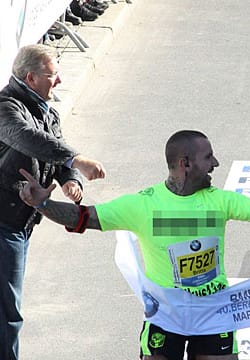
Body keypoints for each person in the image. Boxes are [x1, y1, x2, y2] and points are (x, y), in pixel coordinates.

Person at [18, 129, 250, 360]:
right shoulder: (143, 205)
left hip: (215, 313)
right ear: (185, 163)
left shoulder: (220, 201)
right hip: (165, 317)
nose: (215, 163)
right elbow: (83, 217)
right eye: (208, 157)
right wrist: (43, 206)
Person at [0, 44, 106, 360]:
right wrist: (77, 158)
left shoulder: (47, 109)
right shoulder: (6, 108)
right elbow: (28, 139)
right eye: (53, 75)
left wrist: (71, 179)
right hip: (4, 223)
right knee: (8, 316)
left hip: (20, 222)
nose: (58, 81)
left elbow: (54, 152)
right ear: (31, 78)